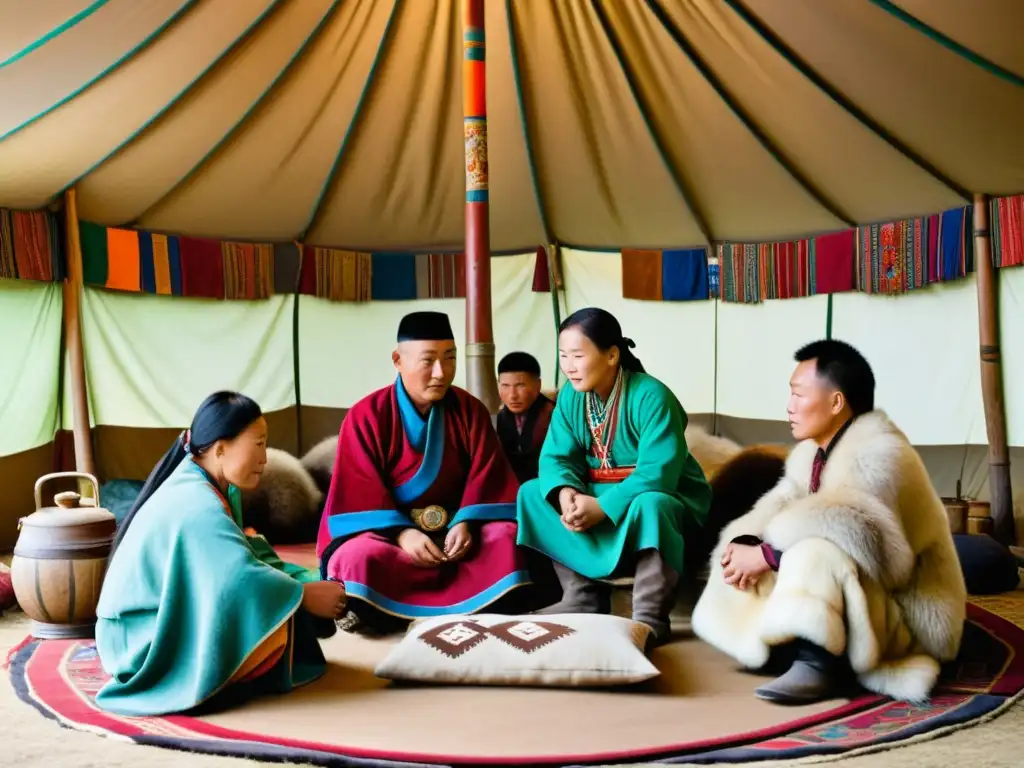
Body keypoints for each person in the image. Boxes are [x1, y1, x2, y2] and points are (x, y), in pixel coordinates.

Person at [691, 340, 966, 705]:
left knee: (813, 551)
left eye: (799, 395)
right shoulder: (812, 452)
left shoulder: (880, 452)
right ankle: (784, 641)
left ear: (836, 402)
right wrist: (746, 541)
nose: (789, 407)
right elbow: (781, 503)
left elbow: (870, 543)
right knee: (753, 546)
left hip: (909, 611)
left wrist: (770, 555)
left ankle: (818, 662)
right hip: (869, 602)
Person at [95, 392, 346, 717]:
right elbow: (236, 580)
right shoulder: (197, 504)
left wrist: (306, 579)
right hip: (139, 640)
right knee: (274, 609)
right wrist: (303, 595)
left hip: (139, 623)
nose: (265, 458)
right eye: (258, 444)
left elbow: (246, 555)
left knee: (277, 600)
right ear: (220, 448)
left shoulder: (208, 484)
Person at [317, 311, 531, 631]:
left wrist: (466, 522)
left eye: (450, 358)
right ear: (397, 360)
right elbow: (358, 490)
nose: (441, 373)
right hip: (388, 536)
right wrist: (403, 533)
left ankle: (401, 612)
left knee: (507, 539)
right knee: (358, 558)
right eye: (428, 360)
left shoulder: (470, 410)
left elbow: (489, 476)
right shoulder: (366, 415)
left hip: (457, 536)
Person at [516, 307, 713, 645]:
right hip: (596, 494)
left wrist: (602, 507)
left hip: (656, 498)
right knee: (533, 494)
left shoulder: (652, 396)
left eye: (578, 355)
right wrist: (567, 494)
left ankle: (650, 615)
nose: (569, 366)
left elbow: (658, 473)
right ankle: (581, 595)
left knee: (652, 504)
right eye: (563, 356)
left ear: (611, 355)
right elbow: (556, 457)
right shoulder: (569, 396)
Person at [495, 351, 555, 484]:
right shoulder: (498, 419)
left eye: (520, 386)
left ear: (537, 385)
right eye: (505, 386)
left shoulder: (554, 415)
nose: (512, 395)